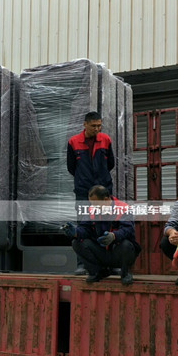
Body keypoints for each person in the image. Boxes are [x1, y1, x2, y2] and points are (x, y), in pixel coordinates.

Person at [67, 111, 116, 275]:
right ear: (85, 124)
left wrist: (100, 180)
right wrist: (85, 179)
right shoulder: (73, 142)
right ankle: (83, 264)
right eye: (94, 126)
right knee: (83, 225)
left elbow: (110, 164)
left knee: (107, 224)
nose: (97, 129)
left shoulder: (105, 140)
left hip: (103, 190)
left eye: (99, 126)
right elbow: (71, 167)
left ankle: (110, 263)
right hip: (83, 191)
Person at [62, 185, 140, 285]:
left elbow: (127, 230)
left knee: (126, 244)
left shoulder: (123, 208)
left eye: (96, 204)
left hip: (118, 252)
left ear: (106, 199)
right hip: (102, 251)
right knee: (76, 243)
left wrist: (113, 236)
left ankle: (125, 273)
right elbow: (85, 229)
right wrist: (75, 232)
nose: (94, 207)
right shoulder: (92, 210)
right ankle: (97, 272)